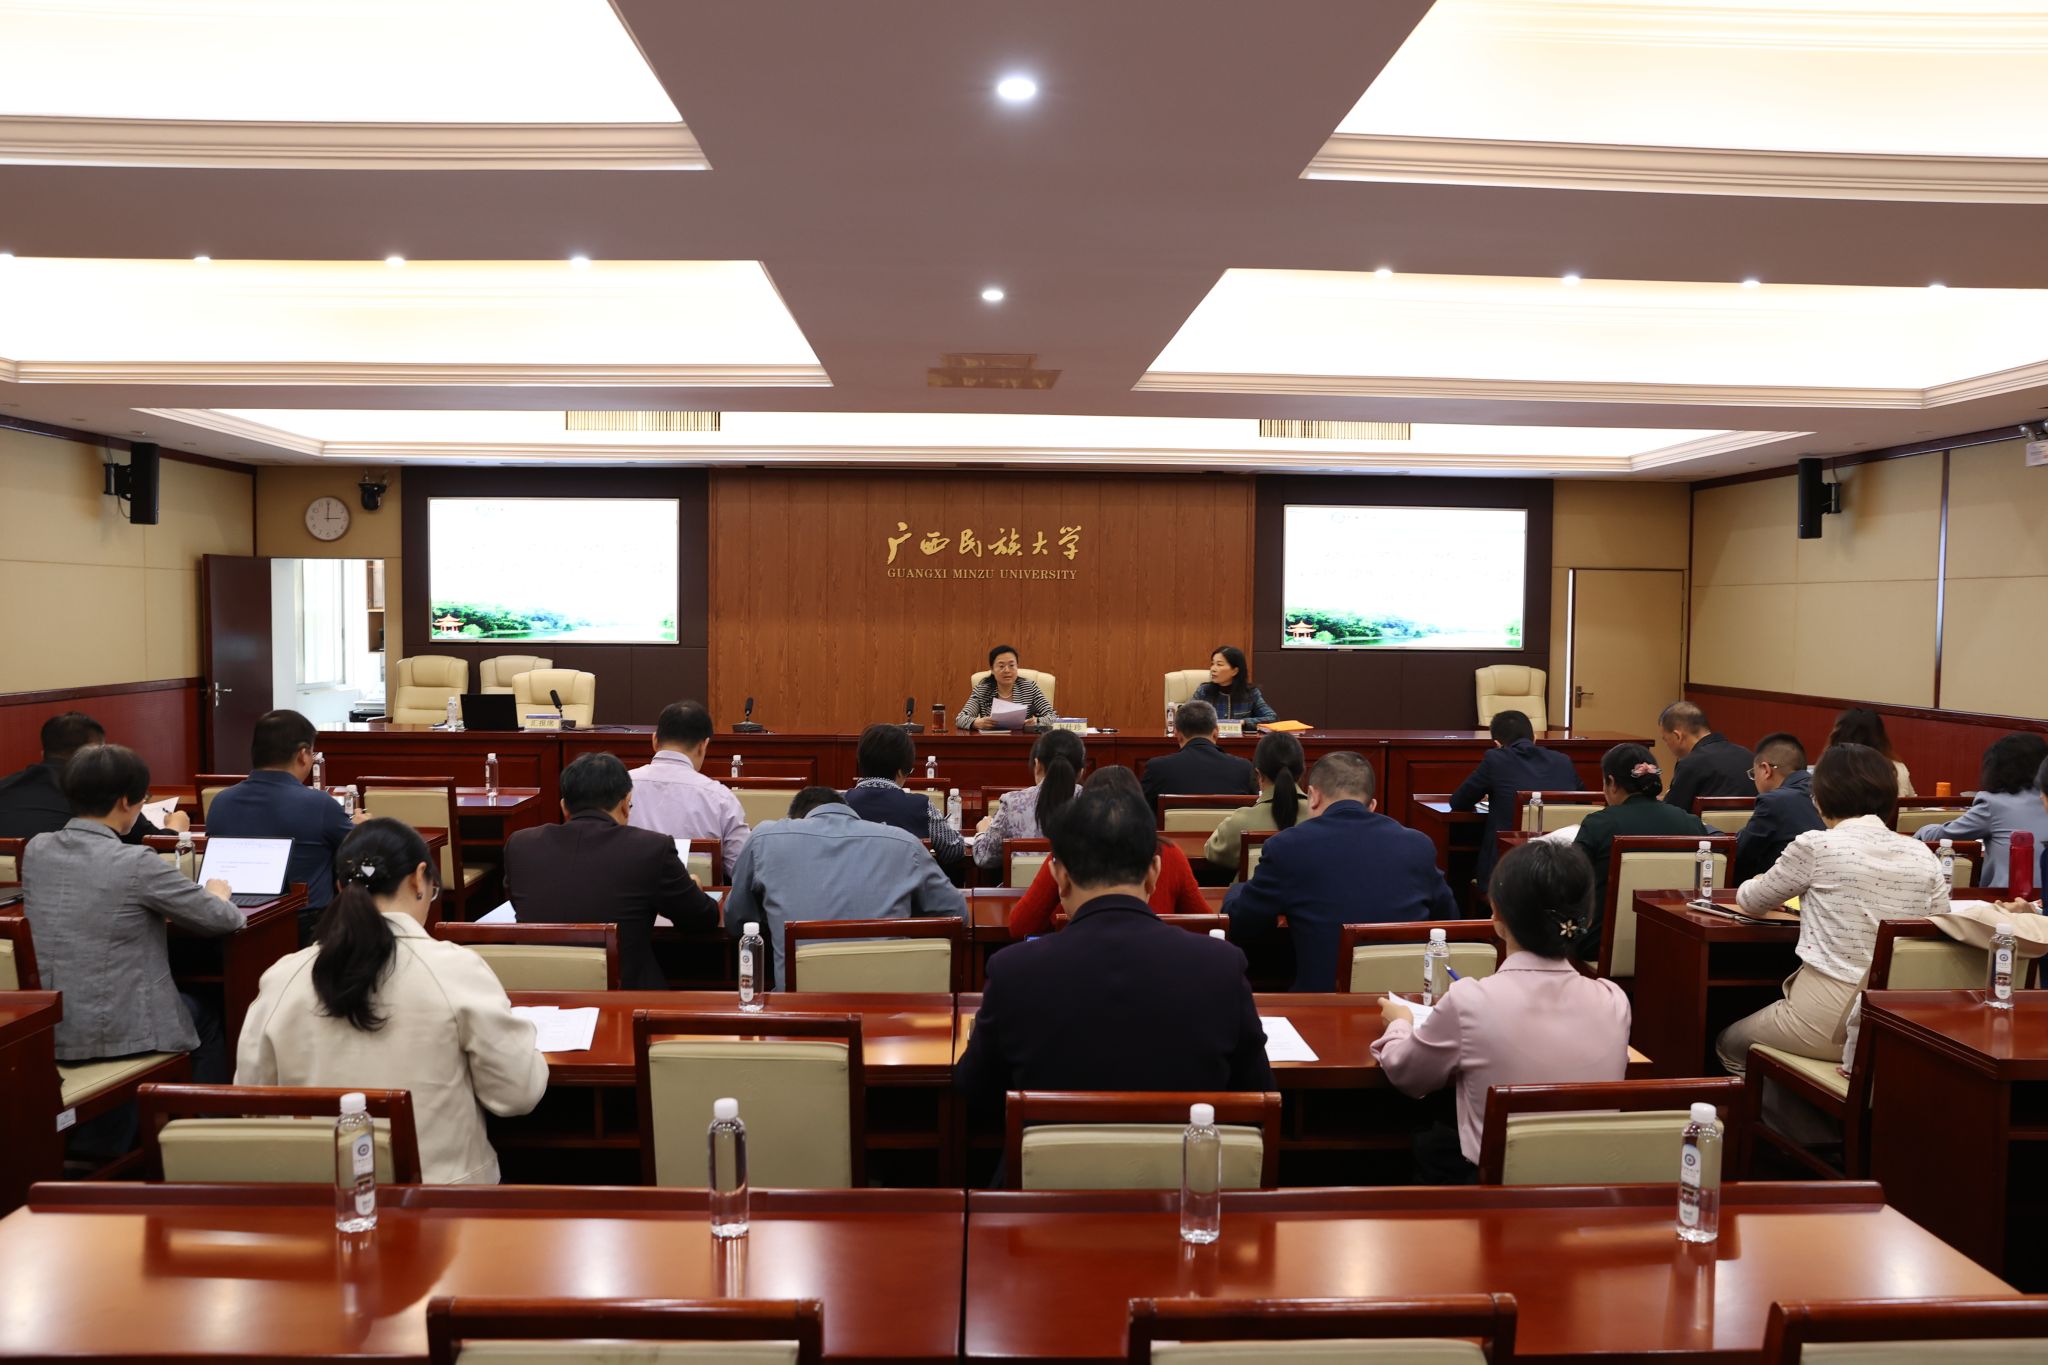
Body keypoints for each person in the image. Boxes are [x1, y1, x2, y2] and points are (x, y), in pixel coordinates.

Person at [236, 819, 548, 1184]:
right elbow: (517, 1094)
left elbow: (251, 1105)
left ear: (340, 887)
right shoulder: (455, 969)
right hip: (445, 1196)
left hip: (321, 1195)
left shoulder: (284, 977)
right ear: (419, 878)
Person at [957, 776, 1273, 1120]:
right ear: (1154, 873)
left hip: (1054, 1155)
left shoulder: (1014, 972)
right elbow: (1258, 1093)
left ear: (1060, 877)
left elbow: (974, 1090)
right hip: (1184, 1154)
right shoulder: (1221, 967)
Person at [22, 743, 243, 1159]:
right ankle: (201, 1145)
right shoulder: (136, 861)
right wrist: (217, 892)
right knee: (209, 1016)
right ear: (127, 802)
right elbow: (224, 920)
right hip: (121, 1032)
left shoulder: (37, 850)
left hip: (50, 1026)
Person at [1373, 840, 1631, 1183]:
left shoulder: (1470, 1001)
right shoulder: (1614, 1001)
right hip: (1589, 1186)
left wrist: (1400, 1025)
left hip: (1493, 1186)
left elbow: (1407, 1075)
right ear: (1586, 917)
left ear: (1497, 916)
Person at [1716, 744, 1950, 1076]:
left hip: (1825, 1018)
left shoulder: (1816, 845)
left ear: (1819, 799)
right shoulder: (1922, 854)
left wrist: (1756, 880)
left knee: (1729, 1043)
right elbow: (1940, 923)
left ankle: (1796, 1109)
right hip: (1896, 1020)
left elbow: (1752, 901)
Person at [1225, 752, 1455, 991]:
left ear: (1313, 796)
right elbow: (1449, 919)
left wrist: (1236, 890)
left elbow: (1242, 923)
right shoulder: (1418, 845)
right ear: (1372, 806)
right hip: (1406, 1000)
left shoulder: (1287, 847)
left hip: (1320, 1002)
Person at [504, 751, 720, 990]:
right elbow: (702, 919)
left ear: (564, 807)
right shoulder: (651, 848)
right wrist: (692, 887)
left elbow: (518, 902)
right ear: (626, 804)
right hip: (626, 997)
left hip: (535, 992)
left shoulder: (520, 844)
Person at [724, 786, 966, 990]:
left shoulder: (764, 838)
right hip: (890, 1009)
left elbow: (736, 921)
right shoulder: (904, 842)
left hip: (798, 1013)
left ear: (796, 819)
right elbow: (958, 915)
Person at [204, 709, 366, 943]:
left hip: (231, 927)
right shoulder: (319, 804)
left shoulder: (221, 802)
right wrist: (360, 828)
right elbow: (360, 849)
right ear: (303, 755)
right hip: (304, 930)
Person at [1007, 766, 1210, 937]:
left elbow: (1020, 926)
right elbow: (1207, 925)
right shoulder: (1168, 853)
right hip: (1157, 959)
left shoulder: (1069, 850)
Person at [1572, 743, 1712, 959]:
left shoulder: (1599, 824)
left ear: (1611, 782)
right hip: (1680, 946)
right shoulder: (1691, 823)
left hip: (1601, 947)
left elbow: (1571, 882)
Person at [0, 710, 190, 842]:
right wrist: (176, 826)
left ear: (44, 753)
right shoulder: (94, 789)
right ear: (94, 754)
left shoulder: (5, 785)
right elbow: (156, 844)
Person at [1448, 709, 1581, 886]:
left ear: (1497, 744)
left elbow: (1459, 802)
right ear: (1534, 738)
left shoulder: (1495, 759)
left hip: (1508, 875)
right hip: (1562, 874)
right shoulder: (1563, 761)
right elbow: (1583, 803)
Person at [1915, 731, 2048, 891]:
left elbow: (1943, 836)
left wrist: (1922, 830)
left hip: (2006, 898)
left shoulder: (1993, 804)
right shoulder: (2043, 798)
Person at [627, 700, 750, 871]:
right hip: (699, 887)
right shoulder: (721, 798)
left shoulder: (622, 785)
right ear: (702, 746)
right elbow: (742, 871)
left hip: (627, 886)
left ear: (654, 740)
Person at [841, 723, 964, 866]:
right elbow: (953, 850)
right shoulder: (922, 807)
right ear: (900, 771)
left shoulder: (838, 804)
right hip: (903, 880)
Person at [973, 728, 1084, 875]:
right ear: (1081, 771)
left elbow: (984, 858)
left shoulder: (1012, 803)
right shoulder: (1093, 803)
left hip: (1023, 889)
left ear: (1037, 765)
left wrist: (982, 832)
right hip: (1076, 889)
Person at [1202, 731, 1306, 877]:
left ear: (1258, 775)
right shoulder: (1322, 816)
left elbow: (1214, 851)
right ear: (1302, 772)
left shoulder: (1240, 822)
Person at [1734, 732, 1825, 885]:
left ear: (1765, 770)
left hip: (1784, 889)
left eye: (1753, 774)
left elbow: (1741, 852)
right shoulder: (1827, 792)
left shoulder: (1773, 801)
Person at [1139, 700, 1257, 810]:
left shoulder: (1157, 768)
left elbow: (1141, 814)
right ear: (1216, 732)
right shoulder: (1244, 768)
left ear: (1177, 734)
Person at [1657, 701, 1756, 811]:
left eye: (1666, 740)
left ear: (1677, 736)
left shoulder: (1690, 764)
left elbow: (1672, 812)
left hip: (1708, 823)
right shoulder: (1748, 756)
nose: (1667, 745)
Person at [955, 644, 1054, 731]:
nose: (1007, 670)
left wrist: (1037, 722)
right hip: (991, 740)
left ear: (1017, 667)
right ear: (992, 669)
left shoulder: (1029, 688)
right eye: (1001, 666)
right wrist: (975, 723)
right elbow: (960, 719)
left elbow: (1053, 717)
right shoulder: (982, 690)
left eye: (1011, 665)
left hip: (1022, 741)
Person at [1829, 707, 1915, 798]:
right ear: (1880, 737)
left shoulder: (1829, 769)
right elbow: (1913, 805)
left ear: (1837, 737)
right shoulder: (1898, 769)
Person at [1192, 645, 1277, 725]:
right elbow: (1187, 717)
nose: (1213, 669)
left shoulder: (1250, 693)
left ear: (1235, 671)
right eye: (1212, 664)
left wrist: (1243, 722)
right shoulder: (1204, 691)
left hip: (1240, 736)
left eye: (1219, 664)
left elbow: (1272, 718)